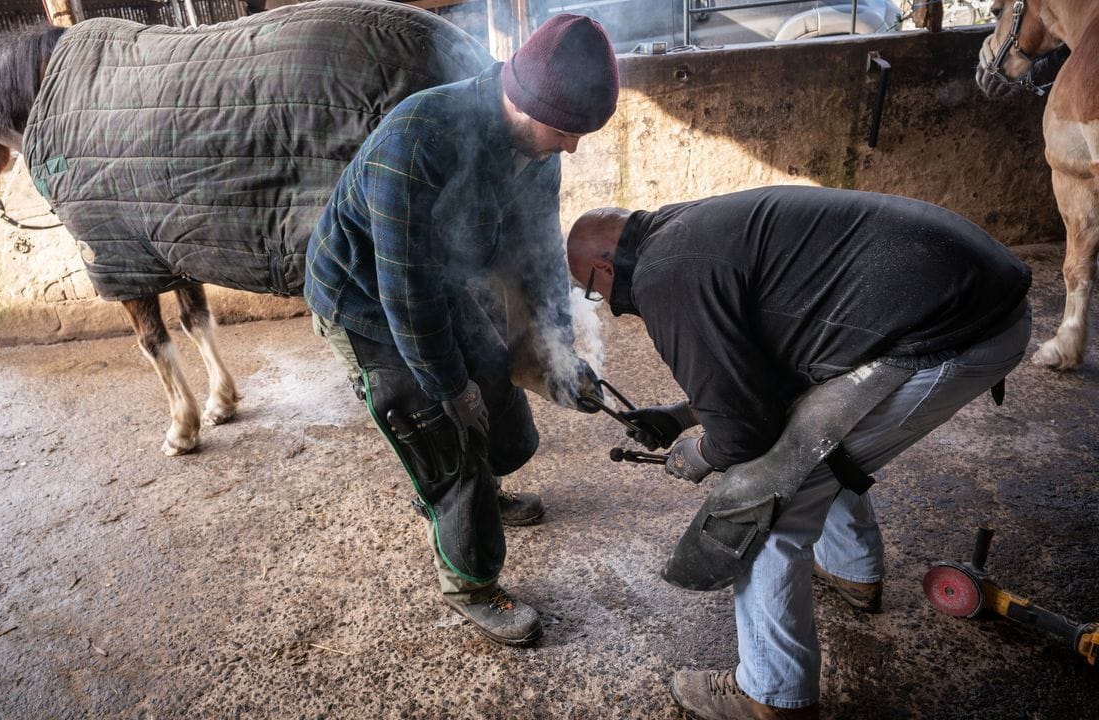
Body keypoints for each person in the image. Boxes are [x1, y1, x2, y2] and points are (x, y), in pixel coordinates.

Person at [566, 186, 1031, 719]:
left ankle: (772, 696)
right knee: (813, 439)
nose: (611, 308)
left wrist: (701, 453)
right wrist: (680, 414)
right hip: (973, 296)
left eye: (594, 291)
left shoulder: (661, 276)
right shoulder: (681, 229)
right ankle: (852, 571)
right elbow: (776, 353)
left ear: (606, 262)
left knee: (764, 500)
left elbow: (745, 435)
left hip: (955, 331)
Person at [305, 14, 620, 647]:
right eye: (566, 131)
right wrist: (448, 385)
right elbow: (405, 290)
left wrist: (560, 352)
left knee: (495, 398)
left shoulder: (536, 152)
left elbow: (537, 259)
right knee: (446, 428)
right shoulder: (419, 138)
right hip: (365, 302)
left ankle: (478, 502)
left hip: (438, 287)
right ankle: (471, 581)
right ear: (525, 101)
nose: (573, 147)